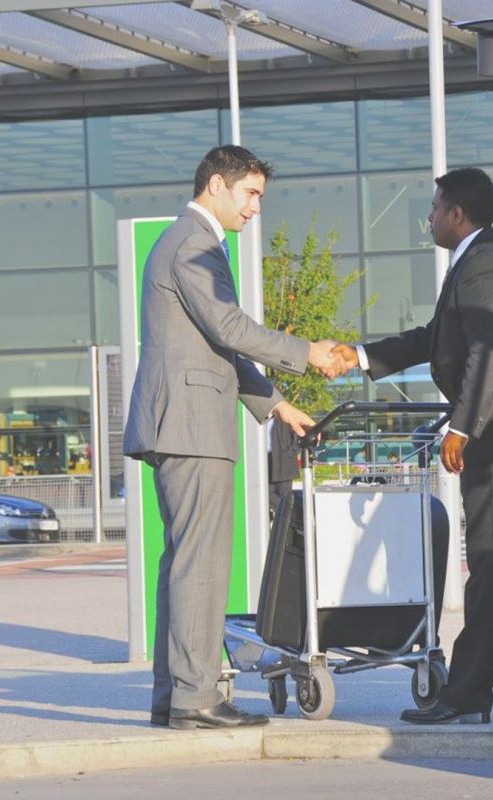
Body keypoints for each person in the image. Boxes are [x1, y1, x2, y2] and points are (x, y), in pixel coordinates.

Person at [331, 167, 493, 725]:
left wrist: (462, 427)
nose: (429, 217)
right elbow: (436, 339)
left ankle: (467, 694)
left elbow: (487, 348)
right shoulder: (485, 258)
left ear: (457, 215)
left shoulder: (483, 263)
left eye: (435, 208)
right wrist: (362, 355)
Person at [123, 144, 344, 731]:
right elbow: (229, 327)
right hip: (192, 426)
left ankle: (175, 696)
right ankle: (196, 700)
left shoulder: (183, 241)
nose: (254, 210)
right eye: (250, 195)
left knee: (183, 565)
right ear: (217, 185)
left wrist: (276, 405)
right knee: (201, 565)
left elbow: (214, 344)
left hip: (183, 421)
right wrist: (306, 353)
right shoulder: (193, 243)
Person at [266, 416, 301, 515]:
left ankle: (290, 517)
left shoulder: (285, 418)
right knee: (266, 494)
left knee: (285, 497)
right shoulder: (259, 420)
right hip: (267, 462)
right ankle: (291, 516)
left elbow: (298, 437)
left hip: (285, 463)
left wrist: (290, 453)